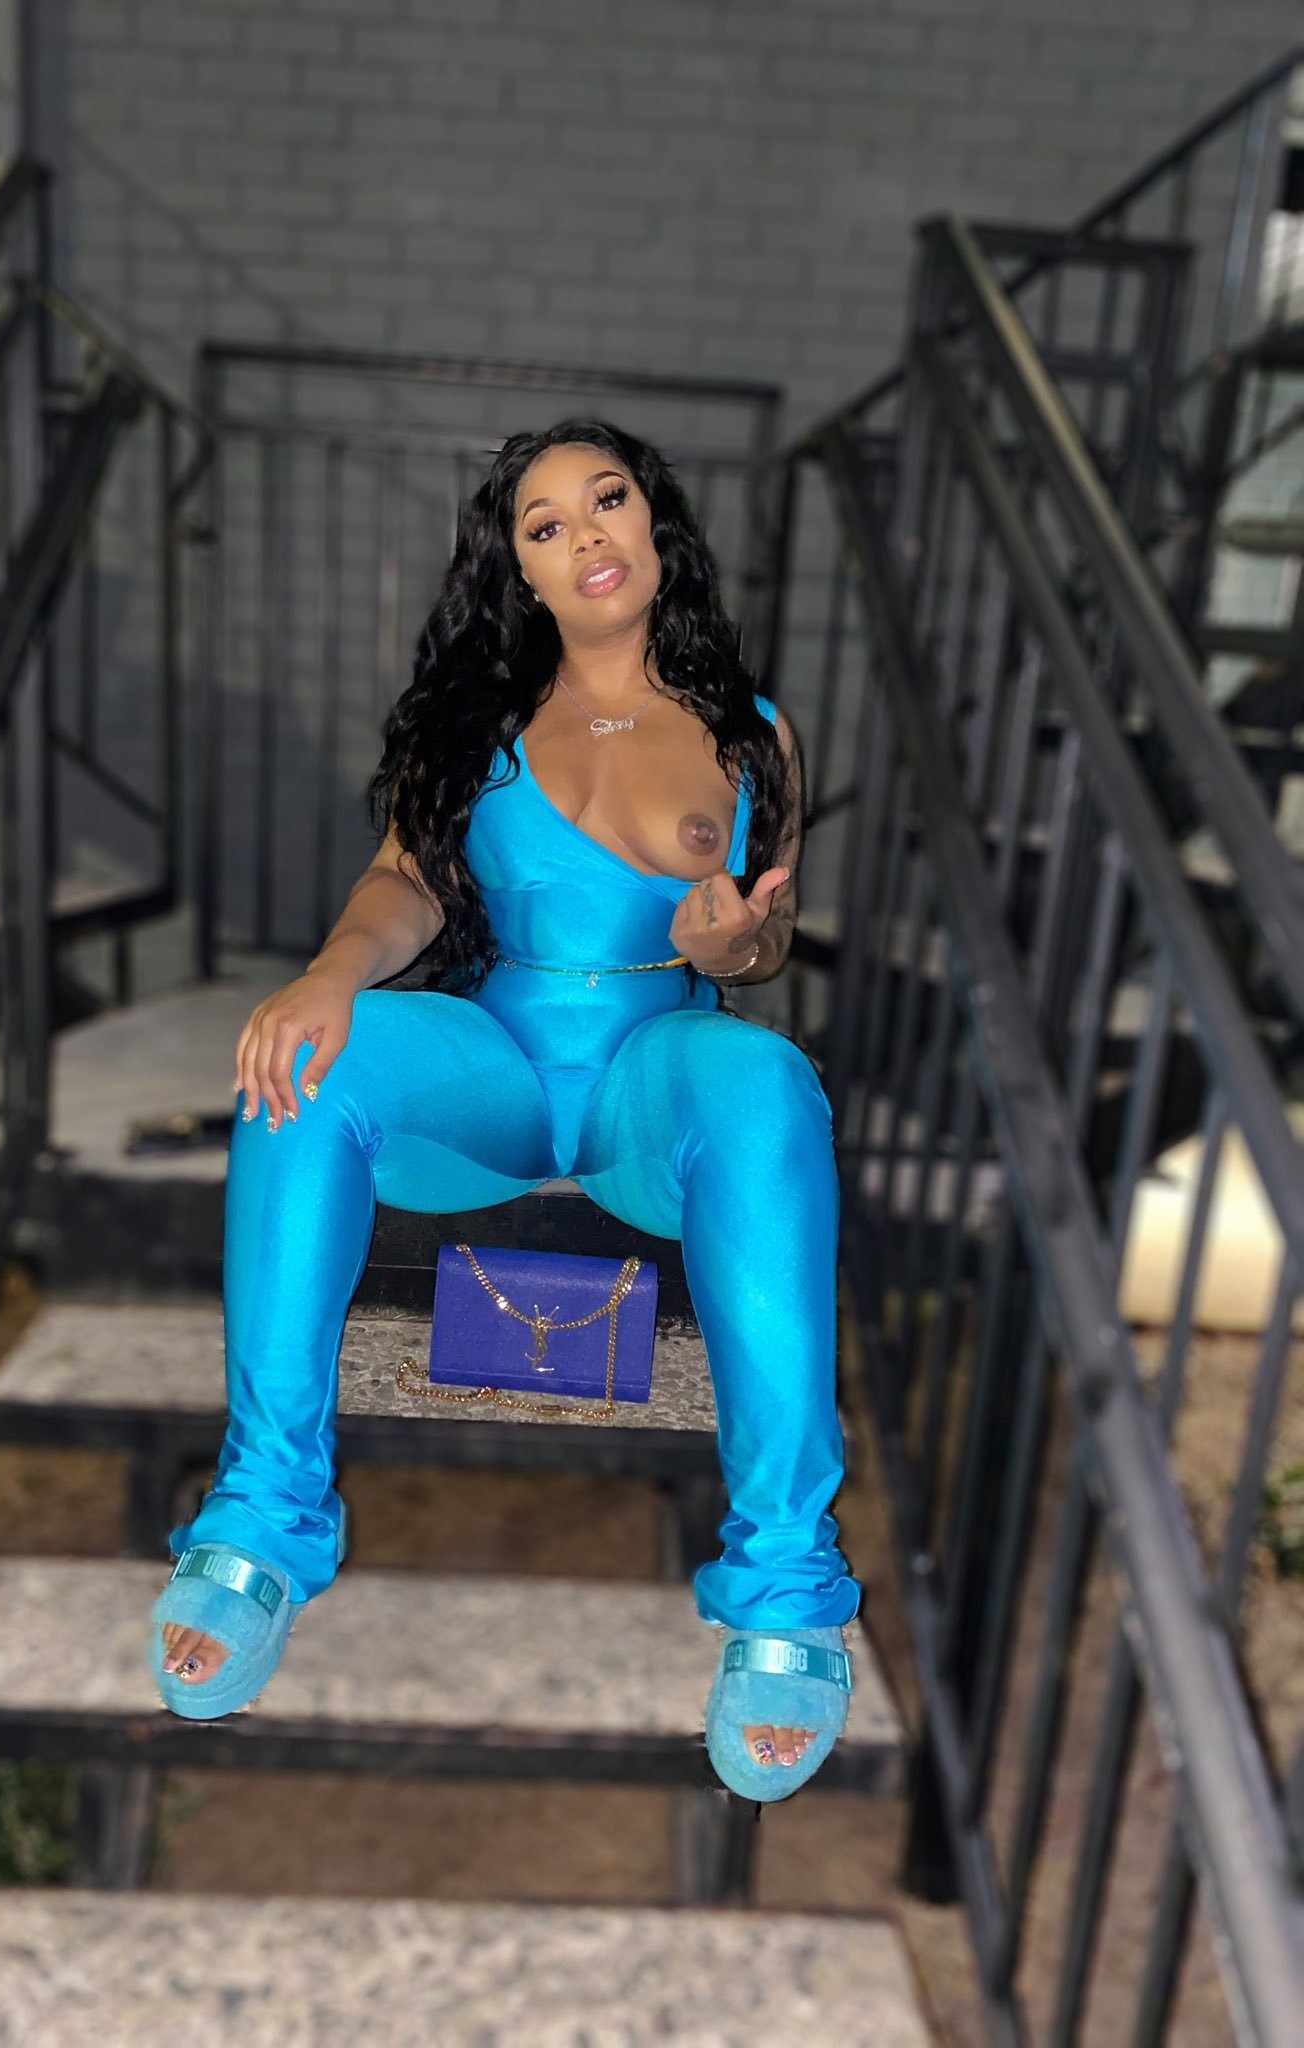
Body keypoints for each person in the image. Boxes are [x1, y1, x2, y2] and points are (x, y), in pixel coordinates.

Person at [147, 420, 862, 1800]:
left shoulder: (753, 732)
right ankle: (263, 1517)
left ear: (655, 525)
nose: (586, 535)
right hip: (499, 1060)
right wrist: (329, 976)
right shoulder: (479, 722)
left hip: (657, 1072)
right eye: (547, 525)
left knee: (769, 1080)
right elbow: (404, 883)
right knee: (308, 1064)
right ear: (520, 570)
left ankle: (785, 1584)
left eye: (608, 500)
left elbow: (763, 934)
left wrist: (735, 949)